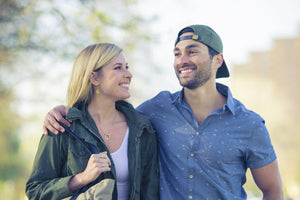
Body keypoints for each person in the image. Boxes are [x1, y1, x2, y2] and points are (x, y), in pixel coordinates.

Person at [42, 25, 284, 199]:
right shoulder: (156, 109)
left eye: (192, 51)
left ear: (217, 59)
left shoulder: (249, 124)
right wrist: (64, 111)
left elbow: (273, 191)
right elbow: (106, 114)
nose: (182, 59)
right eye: (177, 53)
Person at [26, 43, 159, 200]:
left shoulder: (142, 128)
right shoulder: (63, 126)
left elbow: (150, 192)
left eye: (127, 67)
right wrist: (81, 178)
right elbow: (35, 191)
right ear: (94, 78)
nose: (128, 74)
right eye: (118, 68)